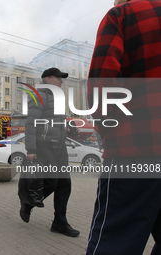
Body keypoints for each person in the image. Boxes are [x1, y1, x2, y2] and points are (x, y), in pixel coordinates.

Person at [86, 1, 161, 254]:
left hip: (135, 153)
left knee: (114, 242)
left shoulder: (124, 14)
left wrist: (106, 128)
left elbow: (102, 84)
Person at [20, 67, 80, 237]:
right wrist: (31, 149)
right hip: (44, 146)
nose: (61, 81)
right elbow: (31, 123)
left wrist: (69, 130)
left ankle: (59, 223)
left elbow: (56, 124)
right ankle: (28, 203)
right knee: (51, 182)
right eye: (58, 78)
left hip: (59, 147)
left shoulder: (58, 98)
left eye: (62, 78)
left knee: (64, 185)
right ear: (48, 79)